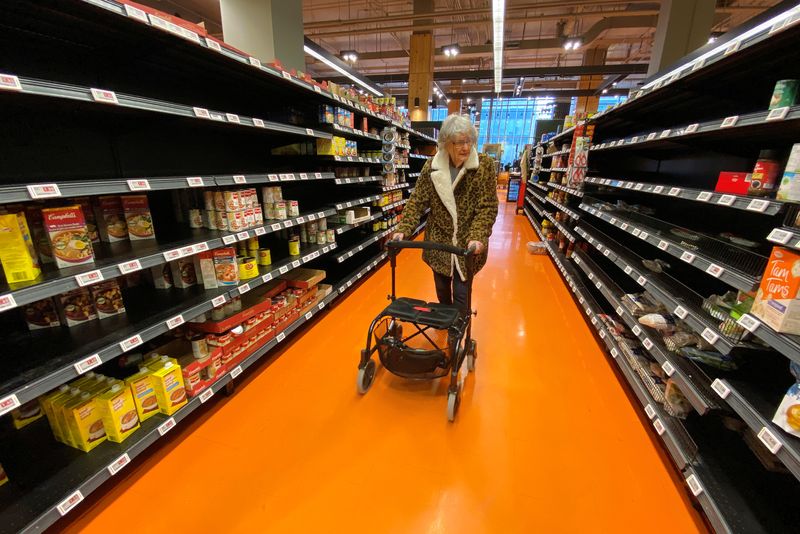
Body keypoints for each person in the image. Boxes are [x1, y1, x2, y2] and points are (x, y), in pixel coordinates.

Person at [392, 114, 499, 314]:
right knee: (442, 289)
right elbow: (417, 201)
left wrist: (477, 237)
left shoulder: (483, 166)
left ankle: (457, 330)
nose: (466, 147)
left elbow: (488, 207)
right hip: (438, 240)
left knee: (461, 291)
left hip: (467, 242)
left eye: (469, 141)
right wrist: (403, 229)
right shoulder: (432, 167)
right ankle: (446, 316)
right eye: (459, 142)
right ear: (446, 143)